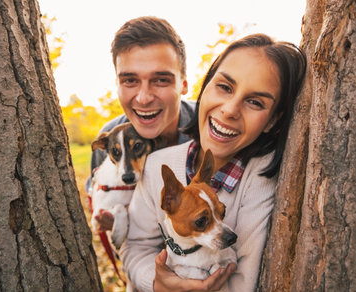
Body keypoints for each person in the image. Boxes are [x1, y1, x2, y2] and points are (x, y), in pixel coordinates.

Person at [120, 33, 307, 291]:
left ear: (273, 121)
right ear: (205, 86)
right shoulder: (156, 165)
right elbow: (135, 247)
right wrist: (155, 282)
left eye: (255, 102)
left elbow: (244, 280)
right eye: (225, 87)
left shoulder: (261, 179)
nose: (230, 110)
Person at [86, 16, 196, 230]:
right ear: (117, 85)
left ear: (183, 84)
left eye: (161, 80)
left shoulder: (210, 128)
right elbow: (97, 193)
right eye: (130, 80)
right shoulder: (109, 136)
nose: (144, 97)